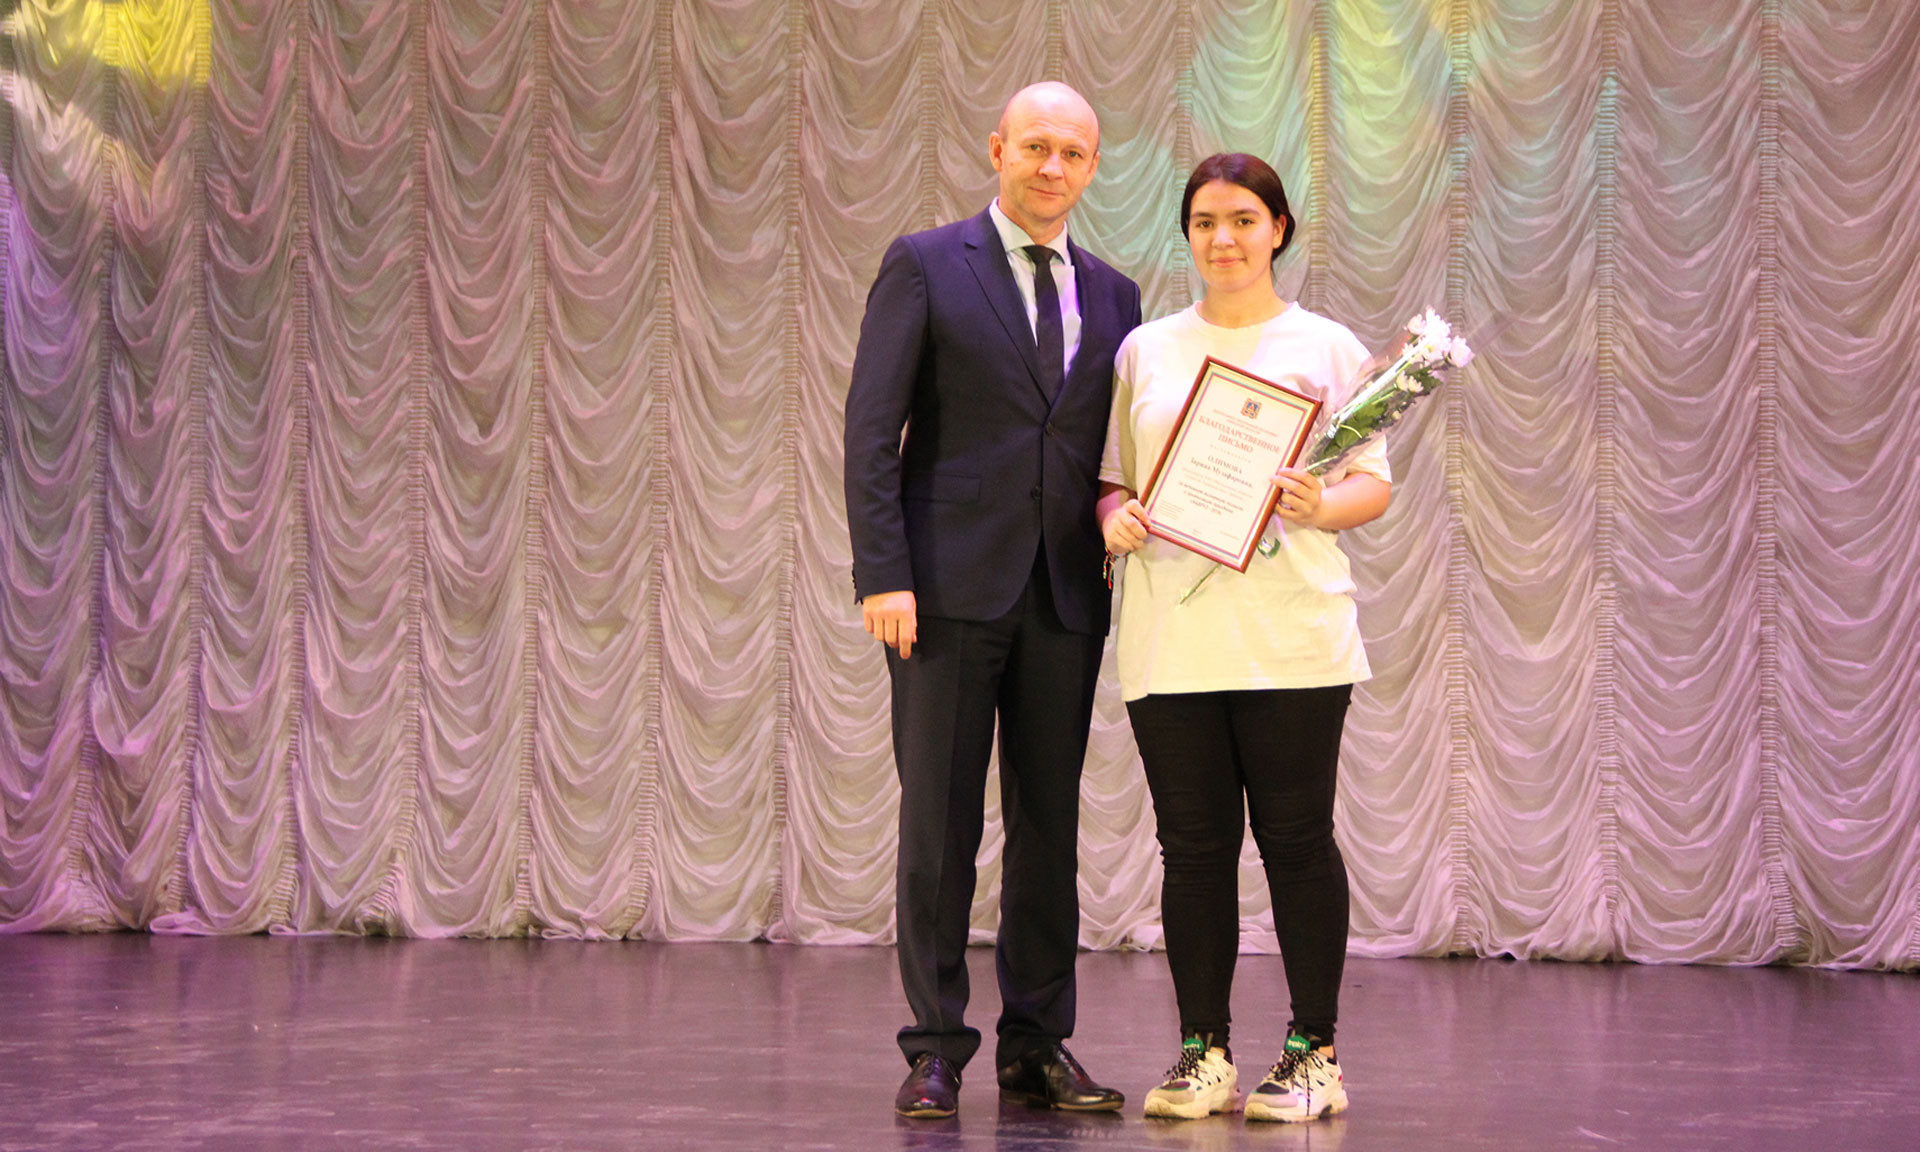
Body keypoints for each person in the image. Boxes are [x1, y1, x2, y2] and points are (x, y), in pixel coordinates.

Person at [843, 81, 1143, 1119]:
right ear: (997, 149)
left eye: (1073, 152)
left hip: (1063, 593)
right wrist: (884, 574)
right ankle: (934, 1047)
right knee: (938, 827)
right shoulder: (926, 264)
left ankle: (1037, 1043)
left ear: (1093, 168)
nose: (1053, 166)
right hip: (942, 592)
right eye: (1036, 146)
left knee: (1049, 826)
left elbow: (1110, 448)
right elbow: (870, 433)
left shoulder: (1116, 295)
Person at [1096, 152, 1391, 1124]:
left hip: (1291, 635)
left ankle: (1314, 1056)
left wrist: (1319, 504)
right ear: (1186, 235)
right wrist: (1114, 519)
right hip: (1171, 638)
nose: (1222, 239)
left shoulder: (1327, 348)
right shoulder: (1145, 350)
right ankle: (1203, 1053)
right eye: (1204, 223)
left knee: (1297, 841)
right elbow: (1113, 480)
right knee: (1192, 851)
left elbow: (1372, 485)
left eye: (1243, 220)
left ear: (1279, 230)